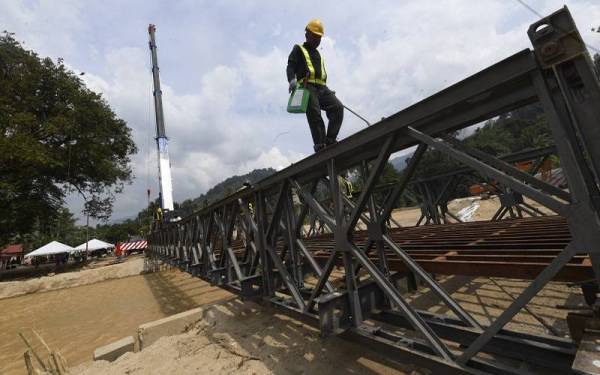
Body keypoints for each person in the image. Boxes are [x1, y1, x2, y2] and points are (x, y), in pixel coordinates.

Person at [287, 19, 344, 152]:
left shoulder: (318, 54)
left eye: (319, 37)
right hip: (307, 87)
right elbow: (290, 66)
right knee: (314, 113)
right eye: (315, 36)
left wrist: (328, 89)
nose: (318, 40)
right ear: (307, 35)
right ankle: (320, 145)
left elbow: (320, 74)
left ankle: (330, 141)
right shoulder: (298, 49)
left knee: (337, 108)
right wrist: (291, 80)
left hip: (323, 89)